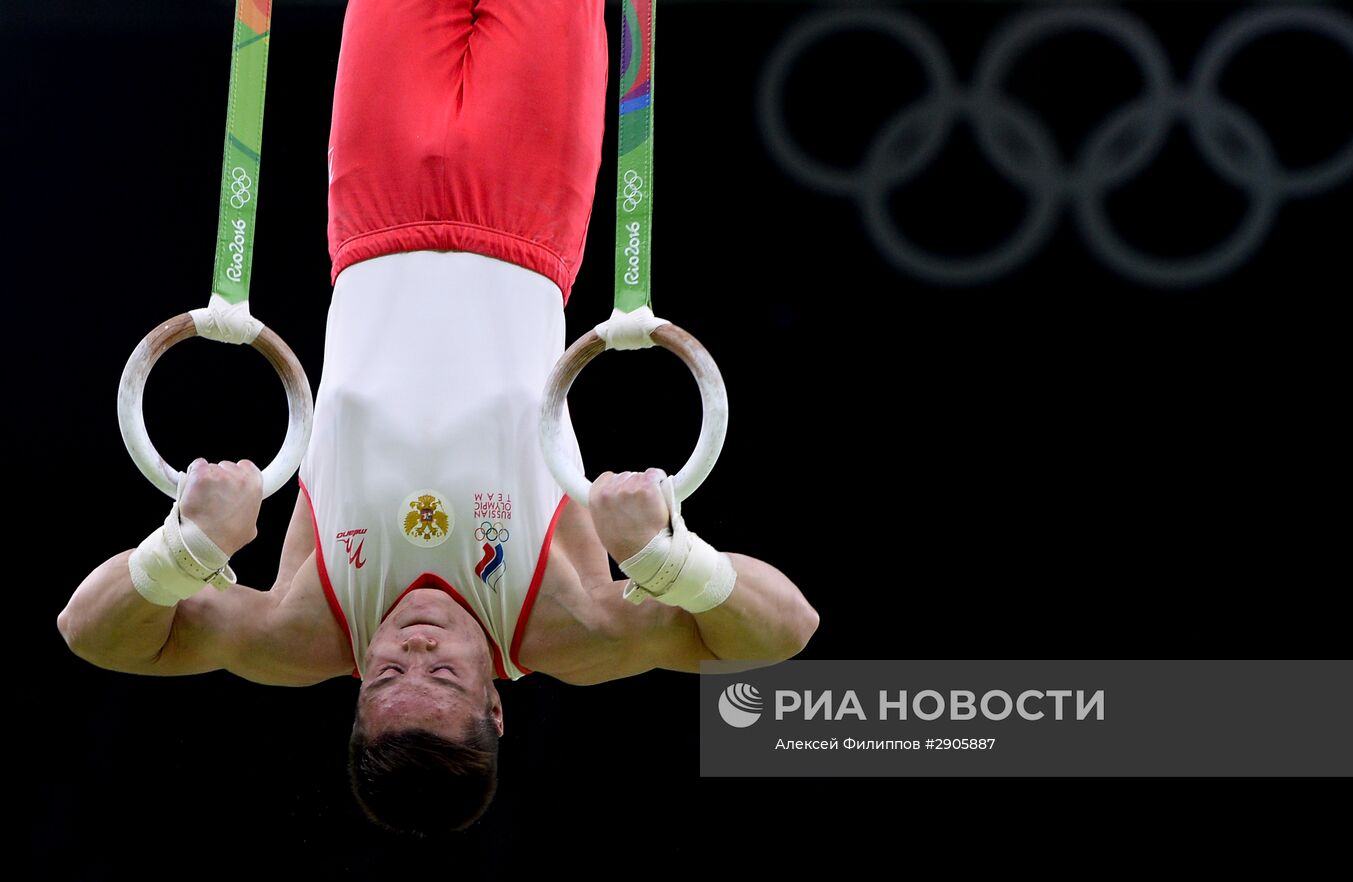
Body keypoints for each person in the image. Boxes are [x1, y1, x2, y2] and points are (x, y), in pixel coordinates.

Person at [57, 0, 818, 838]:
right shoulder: (568, 624)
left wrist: (187, 550)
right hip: (526, 204)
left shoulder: (306, 628)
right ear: (495, 707)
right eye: (446, 677)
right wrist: (668, 558)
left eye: (385, 676)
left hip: (371, 210)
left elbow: (93, 636)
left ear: (355, 700)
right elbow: (783, 631)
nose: (412, 646)